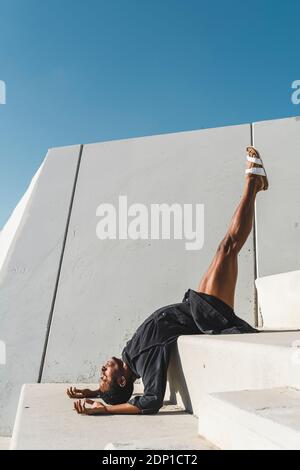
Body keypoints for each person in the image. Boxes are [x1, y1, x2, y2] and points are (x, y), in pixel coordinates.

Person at [67, 146, 268, 416]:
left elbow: (122, 387)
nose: (102, 370)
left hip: (197, 304)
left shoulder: (130, 356)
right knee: (227, 248)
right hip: (209, 313)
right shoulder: (145, 361)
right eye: (104, 376)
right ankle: (253, 182)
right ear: (123, 380)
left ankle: (256, 185)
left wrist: (96, 392)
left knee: (225, 248)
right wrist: (106, 409)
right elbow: (150, 401)